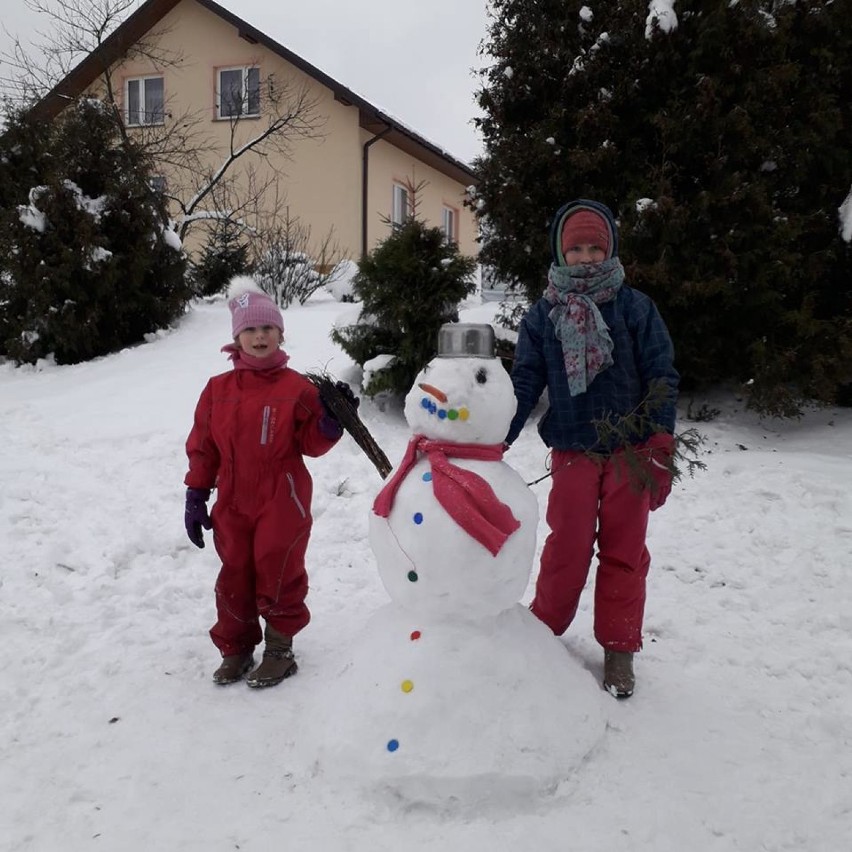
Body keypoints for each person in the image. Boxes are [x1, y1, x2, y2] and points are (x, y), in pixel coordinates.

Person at [504, 199, 679, 698]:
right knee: (568, 546)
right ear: (561, 252)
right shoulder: (544, 316)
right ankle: (543, 634)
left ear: (610, 249)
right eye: (575, 247)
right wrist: (498, 438)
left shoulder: (635, 308)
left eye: (594, 247)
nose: (585, 256)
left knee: (624, 551)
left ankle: (619, 649)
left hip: (631, 453)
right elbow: (525, 381)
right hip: (574, 451)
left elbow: (662, 375)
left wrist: (661, 440)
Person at [183, 276, 356, 688]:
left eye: (267, 328)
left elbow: (311, 443)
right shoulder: (217, 389)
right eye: (250, 329)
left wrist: (332, 423)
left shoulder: (297, 387)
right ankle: (237, 647)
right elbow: (204, 446)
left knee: (278, 569)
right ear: (236, 337)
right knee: (235, 573)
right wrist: (195, 493)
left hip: (282, 498)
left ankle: (279, 648)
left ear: (280, 332)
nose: (259, 336)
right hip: (232, 500)